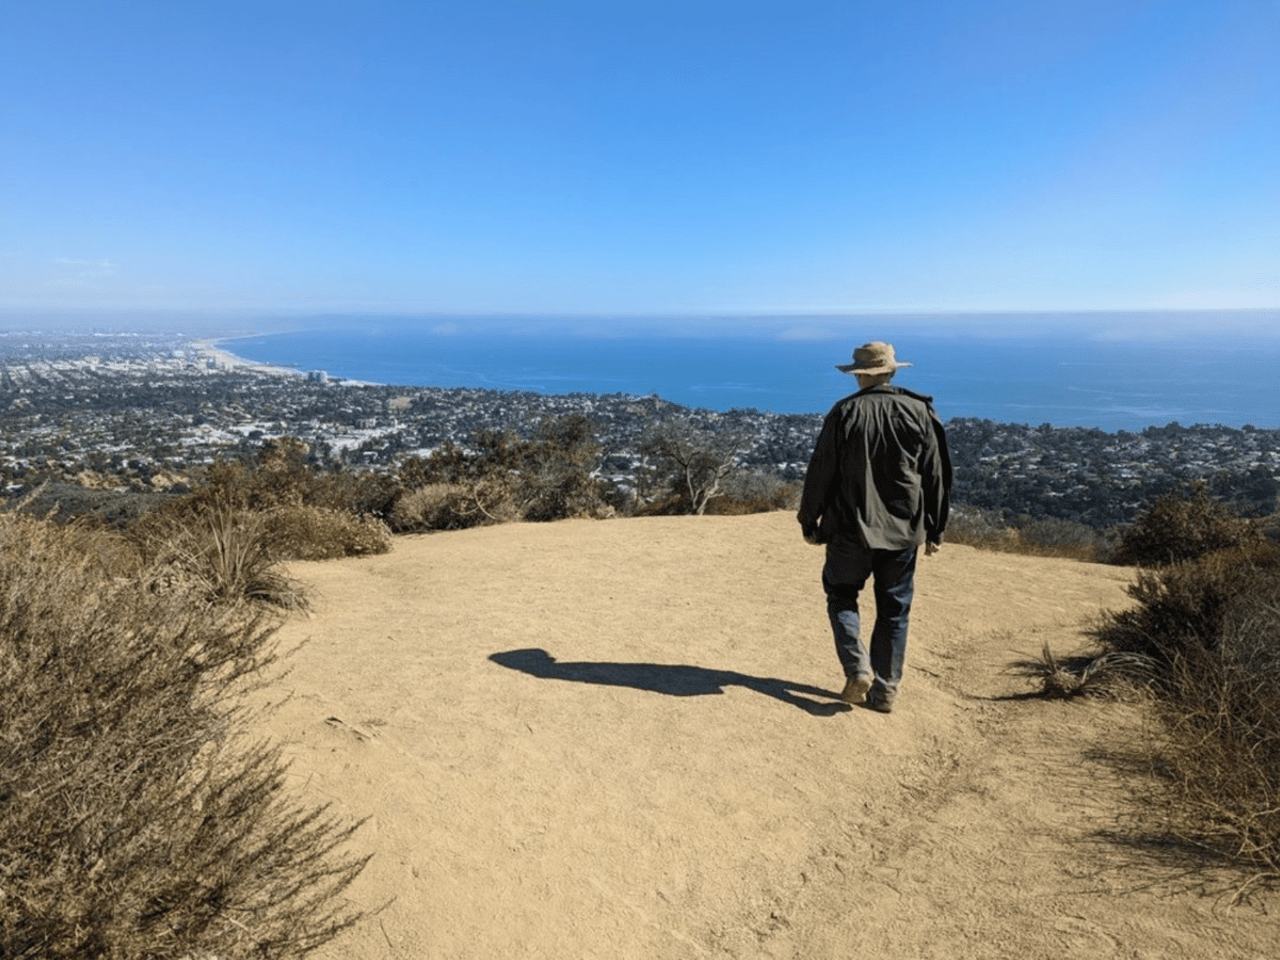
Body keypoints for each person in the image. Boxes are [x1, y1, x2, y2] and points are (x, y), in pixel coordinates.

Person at [797, 341, 951, 713]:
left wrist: (809, 519)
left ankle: (857, 667)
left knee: (841, 595)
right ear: (893, 371)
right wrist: (936, 528)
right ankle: (885, 691)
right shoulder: (919, 411)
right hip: (903, 531)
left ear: (858, 374)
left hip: (850, 528)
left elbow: (821, 471)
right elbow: (936, 475)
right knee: (895, 609)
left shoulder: (844, 413)